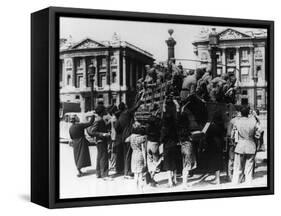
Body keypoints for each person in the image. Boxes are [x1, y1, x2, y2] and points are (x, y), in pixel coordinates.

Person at [115, 96, 144, 178]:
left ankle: (126, 170)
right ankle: (127, 172)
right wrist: (141, 99)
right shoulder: (126, 113)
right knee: (128, 154)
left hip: (123, 137)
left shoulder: (120, 116)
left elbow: (117, 128)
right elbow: (135, 107)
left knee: (126, 154)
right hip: (128, 135)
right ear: (125, 107)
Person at [232, 106, 260, 185]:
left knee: (237, 165)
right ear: (248, 113)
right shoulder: (253, 121)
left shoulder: (237, 122)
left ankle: (236, 182)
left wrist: (234, 142)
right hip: (251, 144)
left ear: (240, 113)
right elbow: (259, 133)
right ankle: (248, 182)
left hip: (240, 145)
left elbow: (233, 134)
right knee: (249, 166)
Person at [88, 105, 111, 180]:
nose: (105, 111)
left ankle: (98, 173)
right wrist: (104, 134)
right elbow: (93, 131)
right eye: (104, 110)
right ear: (101, 112)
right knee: (104, 157)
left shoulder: (99, 119)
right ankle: (105, 175)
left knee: (99, 157)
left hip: (99, 141)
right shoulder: (99, 120)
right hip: (101, 140)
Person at [160, 98, 179, 187]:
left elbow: (162, 137)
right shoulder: (175, 123)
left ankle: (170, 181)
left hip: (167, 145)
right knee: (174, 162)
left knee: (168, 163)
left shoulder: (164, 126)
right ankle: (175, 179)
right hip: (174, 144)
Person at [205, 111, 226, 184]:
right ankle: (217, 178)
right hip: (220, 144)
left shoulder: (210, 125)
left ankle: (217, 179)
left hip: (213, 144)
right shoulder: (222, 125)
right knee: (219, 160)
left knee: (215, 161)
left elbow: (206, 135)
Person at [125, 123, 147, 190]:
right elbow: (143, 149)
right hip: (139, 155)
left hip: (133, 155)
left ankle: (136, 188)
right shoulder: (141, 138)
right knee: (140, 174)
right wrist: (145, 160)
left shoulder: (131, 136)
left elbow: (126, 140)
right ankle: (141, 189)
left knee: (135, 174)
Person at [145, 115, 161, 186]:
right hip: (155, 144)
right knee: (156, 162)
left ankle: (149, 176)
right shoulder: (157, 128)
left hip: (148, 143)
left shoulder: (147, 128)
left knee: (150, 161)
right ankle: (152, 178)